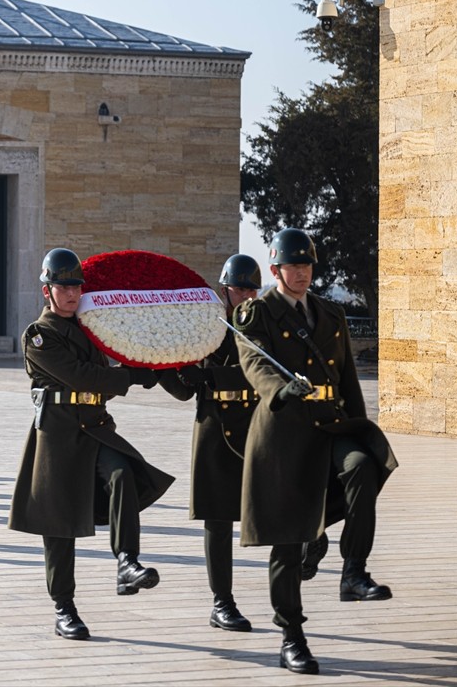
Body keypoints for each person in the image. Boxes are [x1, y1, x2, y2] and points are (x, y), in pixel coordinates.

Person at [233, 228, 398, 675]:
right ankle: (292, 637)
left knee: (362, 466)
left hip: (330, 425)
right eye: (293, 265)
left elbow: (346, 378)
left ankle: (353, 571)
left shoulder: (330, 312)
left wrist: (360, 427)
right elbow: (254, 361)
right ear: (275, 270)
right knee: (288, 544)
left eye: (306, 265)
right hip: (284, 433)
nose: (302, 272)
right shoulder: (256, 312)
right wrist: (279, 389)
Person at [8, 248, 173, 641]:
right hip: (58, 436)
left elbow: (101, 382)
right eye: (63, 287)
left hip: (96, 428)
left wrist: (142, 363)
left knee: (123, 473)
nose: (71, 294)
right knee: (59, 526)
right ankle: (64, 608)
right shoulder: (38, 335)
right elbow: (83, 376)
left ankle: (127, 562)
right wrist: (130, 376)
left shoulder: (91, 330)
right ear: (47, 290)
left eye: (76, 287)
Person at [158, 254, 261, 633]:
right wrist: (161, 366)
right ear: (224, 290)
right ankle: (222, 603)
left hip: (254, 424)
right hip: (214, 426)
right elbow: (185, 391)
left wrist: (211, 376)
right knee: (217, 519)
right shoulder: (204, 329)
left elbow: (259, 371)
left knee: (279, 505)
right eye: (239, 289)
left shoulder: (264, 325)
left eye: (251, 289)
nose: (246, 295)